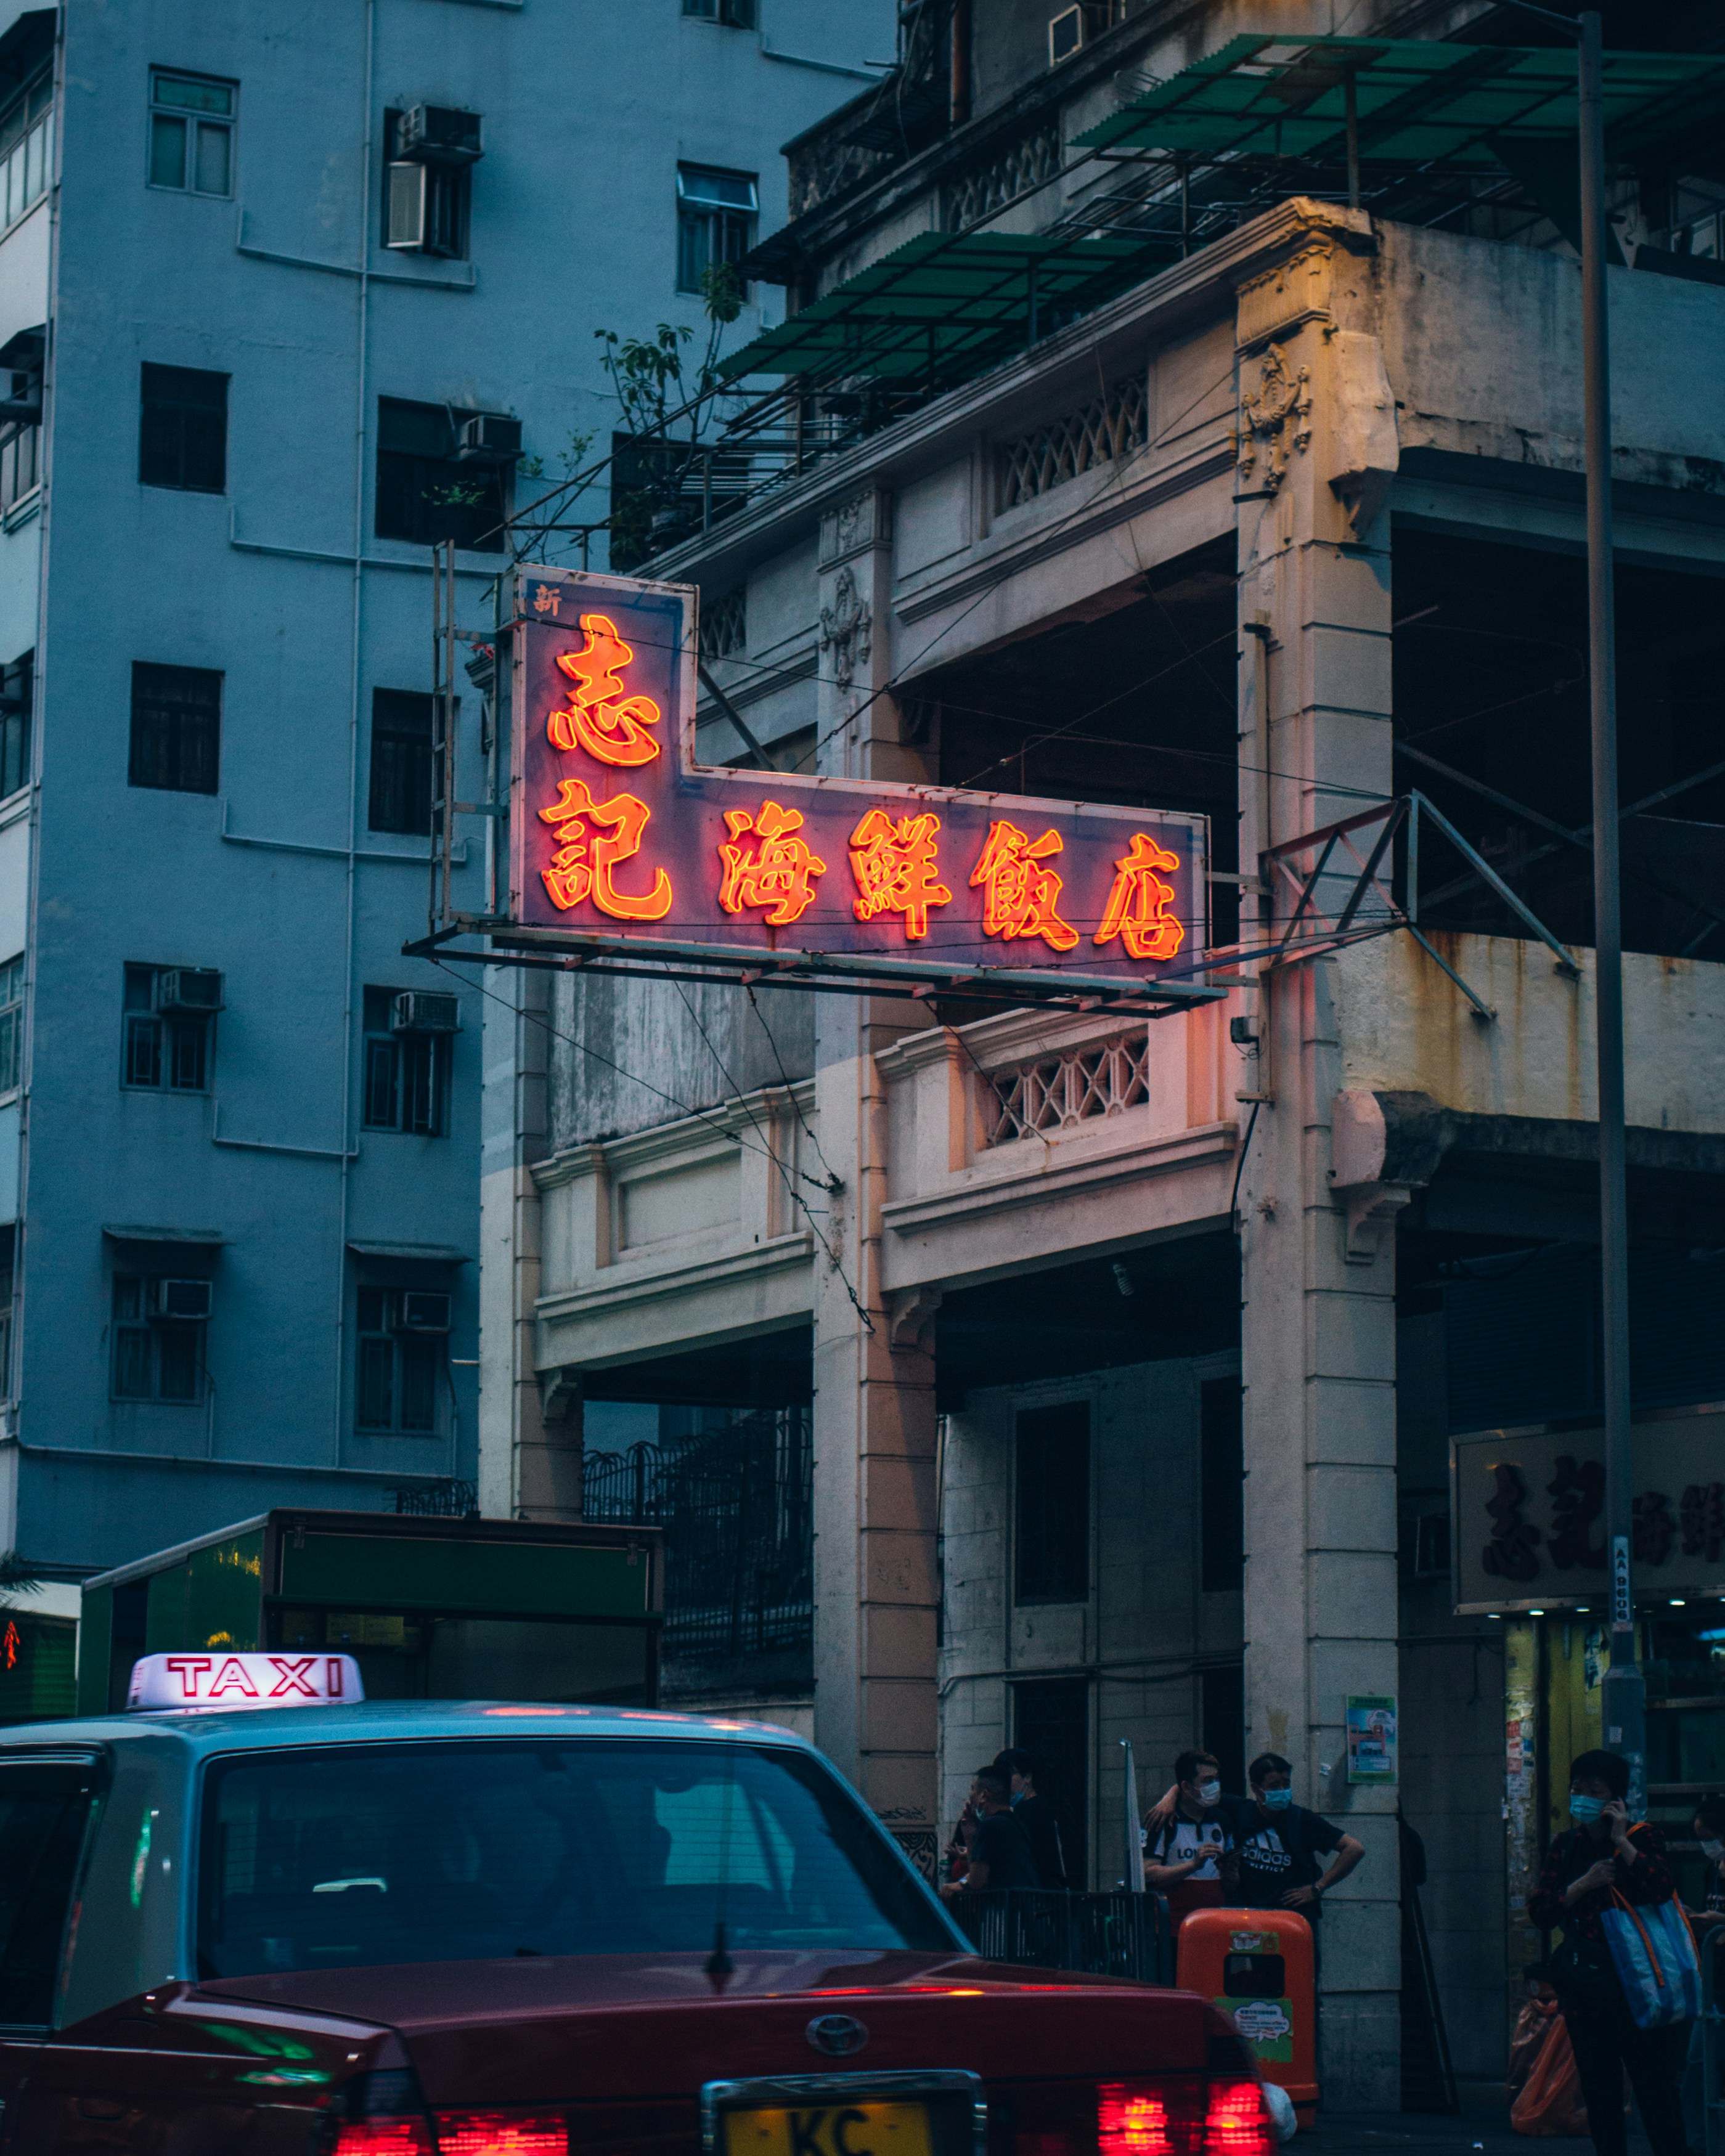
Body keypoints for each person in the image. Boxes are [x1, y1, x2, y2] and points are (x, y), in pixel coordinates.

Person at [1527, 1748, 1693, 2156]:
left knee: (1655, 2091)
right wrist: (1582, 1884)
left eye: (1593, 1789)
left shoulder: (1642, 1837)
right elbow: (1541, 1910)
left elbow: (1660, 1887)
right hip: (1587, 1993)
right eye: (1576, 1788)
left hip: (1642, 1989)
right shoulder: (1565, 1846)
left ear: (1615, 1796)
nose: (1581, 1797)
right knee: (1600, 2096)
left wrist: (1621, 1841)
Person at [1225, 1752, 1365, 1928]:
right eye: (1274, 1786)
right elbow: (1195, 1795)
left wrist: (1317, 1888)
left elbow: (1354, 1849)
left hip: (1294, 1919)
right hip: (1253, 1917)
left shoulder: (1302, 1820)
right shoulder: (1242, 1812)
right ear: (1256, 1789)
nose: (1282, 1791)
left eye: (1286, 1784)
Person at [1680, 1792, 1725, 2155]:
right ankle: (1700, 2145)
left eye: (1711, 1837)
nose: (1707, 1846)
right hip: (1714, 1984)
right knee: (1698, 2069)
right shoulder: (1713, 1871)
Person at [1143, 1748, 1232, 1916]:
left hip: (1214, 1920)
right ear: (1186, 1787)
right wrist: (1193, 1865)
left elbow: (1230, 1883)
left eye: (1216, 1779)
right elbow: (1148, 1874)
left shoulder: (1223, 1819)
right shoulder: (1163, 1820)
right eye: (1207, 1781)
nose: (1215, 1787)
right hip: (1171, 1924)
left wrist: (1231, 1872)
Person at [939, 1765, 1038, 1899]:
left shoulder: (991, 1825)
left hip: (1007, 1910)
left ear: (984, 1796)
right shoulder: (1014, 1822)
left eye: (973, 1790)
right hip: (1024, 1906)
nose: (970, 1796)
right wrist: (970, 1837)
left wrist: (970, 1838)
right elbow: (980, 1870)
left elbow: (977, 1882)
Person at [993, 1746, 1069, 1889]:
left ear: (1027, 1777)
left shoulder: (1030, 1809)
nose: (1003, 1782)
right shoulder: (1037, 1806)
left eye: (1008, 1775)